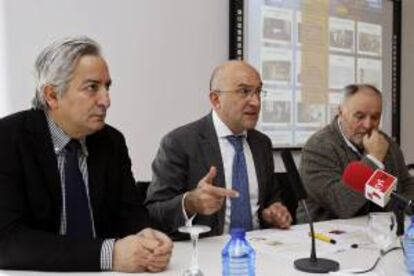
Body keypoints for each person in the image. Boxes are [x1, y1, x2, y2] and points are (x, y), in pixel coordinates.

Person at [0, 36, 172, 272]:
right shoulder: (8, 139)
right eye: (92, 87)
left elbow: (129, 212)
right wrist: (109, 254)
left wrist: (145, 235)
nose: (106, 100)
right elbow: (8, 242)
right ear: (51, 95)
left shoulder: (111, 141)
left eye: (107, 87)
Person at [145, 60, 292, 238]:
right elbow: (153, 213)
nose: (256, 102)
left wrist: (274, 211)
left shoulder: (262, 144)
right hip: (205, 253)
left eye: (258, 92)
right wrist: (189, 203)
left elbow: (270, 199)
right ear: (216, 99)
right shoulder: (179, 143)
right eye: (245, 91)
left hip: (258, 249)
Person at [297, 84, 414, 223]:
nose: (368, 125)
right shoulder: (318, 147)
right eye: (360, 116)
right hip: (326, 234)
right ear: (340, 113)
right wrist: (374, 159)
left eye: (375, 117)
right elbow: (341, 204)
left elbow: (406, 185)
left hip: (379, 230)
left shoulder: (385, 143)